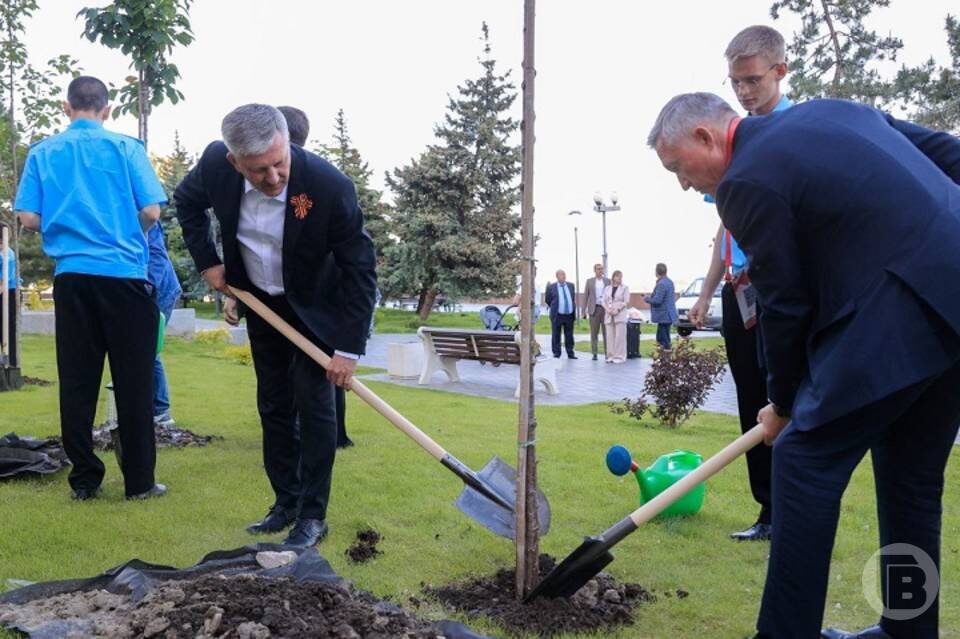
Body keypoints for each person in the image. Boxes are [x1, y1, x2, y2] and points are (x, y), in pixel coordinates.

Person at [649, 91, 960, 639]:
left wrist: (786, 404)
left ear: (705, 136)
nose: (682, 183)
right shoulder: (834, 110)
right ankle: (909, 631)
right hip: (953, 301)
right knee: (909, 477)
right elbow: (948, 153)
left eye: (677, 167)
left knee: (801, 462)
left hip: (901, 310)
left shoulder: (743, 182)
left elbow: (783, 304)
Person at [175, 104, 377, 547]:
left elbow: (360, 269)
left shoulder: (328, 185)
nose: (272, 178)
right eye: (258, 170)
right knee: (273, 404)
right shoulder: (214, 164)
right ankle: (284, 502)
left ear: (288, 144)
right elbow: (186, 203)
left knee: (314, 404)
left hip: (314, 308)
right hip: (261, 302)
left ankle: (312, 514)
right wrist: (208, 262)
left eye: (279, 163)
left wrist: (348, 348)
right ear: (234, 162)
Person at [14, 76, 166, 501]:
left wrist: (68, 228)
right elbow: (151, 210)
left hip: (73, 277)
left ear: (67, 108)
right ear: (108, 109)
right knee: (134, 380)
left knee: (78, 381)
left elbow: (27, 218)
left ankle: (84, 481)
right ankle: (139, 483)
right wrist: (120, 231)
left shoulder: (43, 152)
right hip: (123, 275)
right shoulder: (126, 148)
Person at [689, 25, 792, 543]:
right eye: (735, 83)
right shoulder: (734, 141)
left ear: (780, 72)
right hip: (739, 291)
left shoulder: (795, 130)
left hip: (779, 290)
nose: (745, 92)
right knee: (750, 397)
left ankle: (794, 511)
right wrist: (709, 292)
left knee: (785, 395)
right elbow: (724, 229)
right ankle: (767, 512)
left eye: (752, 80)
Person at [277, 104, 353, 449]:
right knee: (318, 372)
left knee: (324, 371)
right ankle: (325, 433)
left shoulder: (321, 183)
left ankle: (330, 433)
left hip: (319, 300)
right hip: (309, 301)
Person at [147, 224, 182, 428]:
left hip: (161, 292)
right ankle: (147, 408)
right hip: (143, 292)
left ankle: (161, 412)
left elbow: (157, 257)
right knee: (139, 350)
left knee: (149, 349)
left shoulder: (145, 217)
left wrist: (145, 287)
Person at [544, 269, 577, 359]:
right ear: (557, 276)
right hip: (557, 315)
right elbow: (548, 300)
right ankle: (556, 353)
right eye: (561, 275)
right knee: (556, 334)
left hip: (569, 315)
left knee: (569, 335)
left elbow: (572, 297)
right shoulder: (551, 287)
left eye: (564, 274)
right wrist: (556, 306)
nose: (563, 276)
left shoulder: (571, 285)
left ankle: (570, 353)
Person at [644, 263, 677, 349]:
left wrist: (646, 298)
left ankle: (665, 358)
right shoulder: (670, 282)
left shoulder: (661, 284)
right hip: (668, 315)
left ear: (657, 272)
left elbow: (657, 300)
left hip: (663, 316)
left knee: (662, 340)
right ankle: (665, 357)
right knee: (664, 338)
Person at [581, 263, 610, 361]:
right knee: (594, 333)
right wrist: (583, 311)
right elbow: (585, 296)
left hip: (605, 309)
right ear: (595, 270)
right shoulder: (589, 281)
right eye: (598, 269)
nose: (600, 271)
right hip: (594, 309)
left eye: (602, 269)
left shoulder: (607, 281)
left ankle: (607, 353)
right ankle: (594, 353)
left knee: (606, 333)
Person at [602, 270, 629, 363]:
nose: (620, 278)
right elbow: (603, 301)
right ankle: (610, 356)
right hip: (609, 315)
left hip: (620, 314)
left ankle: (620, 357)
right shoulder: (607, 288)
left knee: (619, 337)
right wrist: (608, 309)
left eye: (621, 276)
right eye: (618, 276)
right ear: (613, 277)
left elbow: (626, 301)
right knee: (610, 336)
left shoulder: (625, 288)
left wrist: (618, 309)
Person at [0, 227, 18, 367]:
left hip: (8, 294)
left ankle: (10, 365)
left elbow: (3, 284)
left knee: (8, 333)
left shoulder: (8, 256)